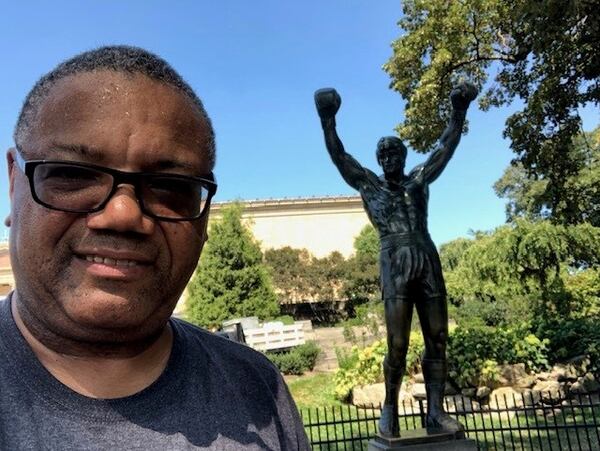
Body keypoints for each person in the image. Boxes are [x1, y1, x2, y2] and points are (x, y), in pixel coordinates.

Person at [0, 45, 310, 450]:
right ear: (13, 182)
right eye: (73, 174)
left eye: (171, 187)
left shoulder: (257, 386)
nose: (123, 214)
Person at [315, 82, 477, 438]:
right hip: (394, 257)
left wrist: (459, 110)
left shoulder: (419, 180)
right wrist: (328, 119)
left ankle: (435, 412)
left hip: (425, 254)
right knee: (398, 342)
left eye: (394, 153)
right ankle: (389, 409)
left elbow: (445, 146)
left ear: (403, 156)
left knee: (437, 335)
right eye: (383, 154)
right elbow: (340, 156)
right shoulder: (369, 185)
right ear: (378, 160)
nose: (389, 158)